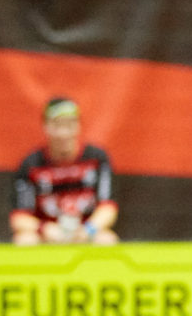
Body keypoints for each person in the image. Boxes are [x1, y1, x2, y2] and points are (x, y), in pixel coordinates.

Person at [10, 97, 119, 246]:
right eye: (57, 125)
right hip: (48, 235)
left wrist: (89, 229)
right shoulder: (31, 164)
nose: (63, 133)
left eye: (69, 125)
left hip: (84, 232)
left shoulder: (96, 158)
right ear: (45, 126)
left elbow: (108, 207)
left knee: (106, 240)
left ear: (78, 126)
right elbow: (19, 217)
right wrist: (45, 229)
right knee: (24, 240)